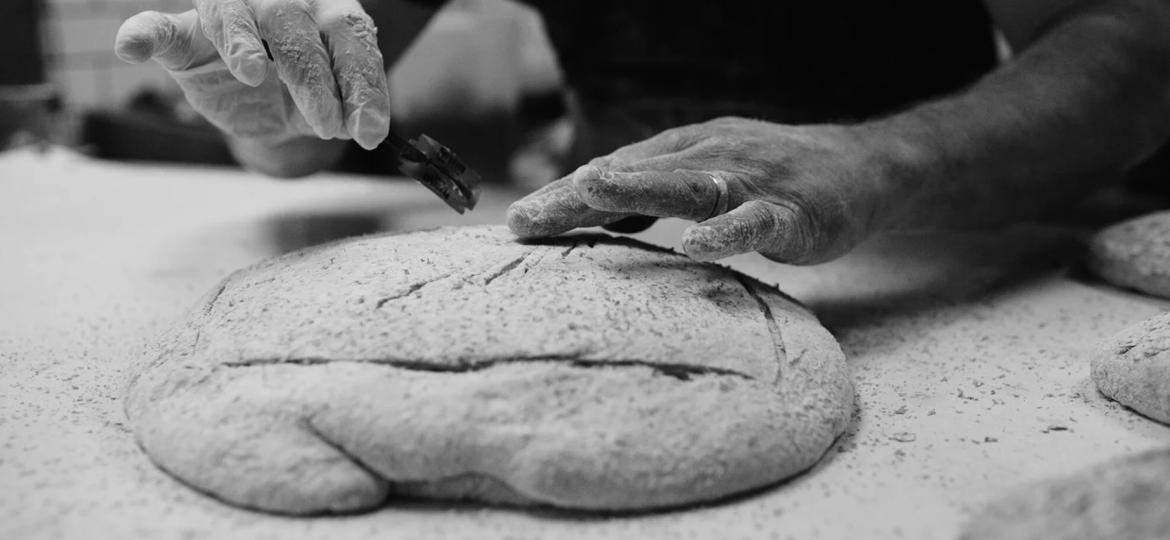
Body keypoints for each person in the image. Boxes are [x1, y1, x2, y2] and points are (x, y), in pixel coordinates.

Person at [115, 0, 1170, 265]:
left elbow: (1135, 42)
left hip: (942, 223)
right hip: (601, 243)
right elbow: (306, 123)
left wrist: (880, 161)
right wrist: (261, 99)